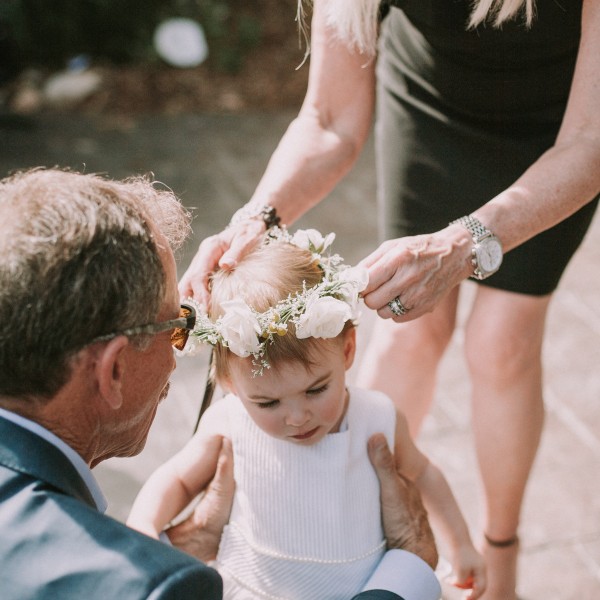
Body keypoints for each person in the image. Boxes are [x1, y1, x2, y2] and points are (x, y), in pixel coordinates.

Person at [178, 2, 600, 598]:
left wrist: (464, 244)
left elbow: (591, 140)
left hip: (560, 131)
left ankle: (500, 551)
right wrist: (256, 218)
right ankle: (360, 520)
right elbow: (329, 120)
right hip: (430, 100)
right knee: (408, 327)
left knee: (502, 340)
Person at [0, 167, 440, 600]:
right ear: (113, 369)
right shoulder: (155, 587)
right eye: (177, 325)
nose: (178, 358)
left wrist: (179, 543)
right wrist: (412, 567)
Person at [128, 228, 485, 599]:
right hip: (255, 588)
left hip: (359, 588)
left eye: (316, 390)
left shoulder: (376, 418)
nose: (297, 417)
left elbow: (423, 474)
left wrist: (461, 544)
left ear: (347, 350)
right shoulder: (228, 422)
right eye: (267, 403)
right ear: (229, 382)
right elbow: (178, 479)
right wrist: (144, 525)